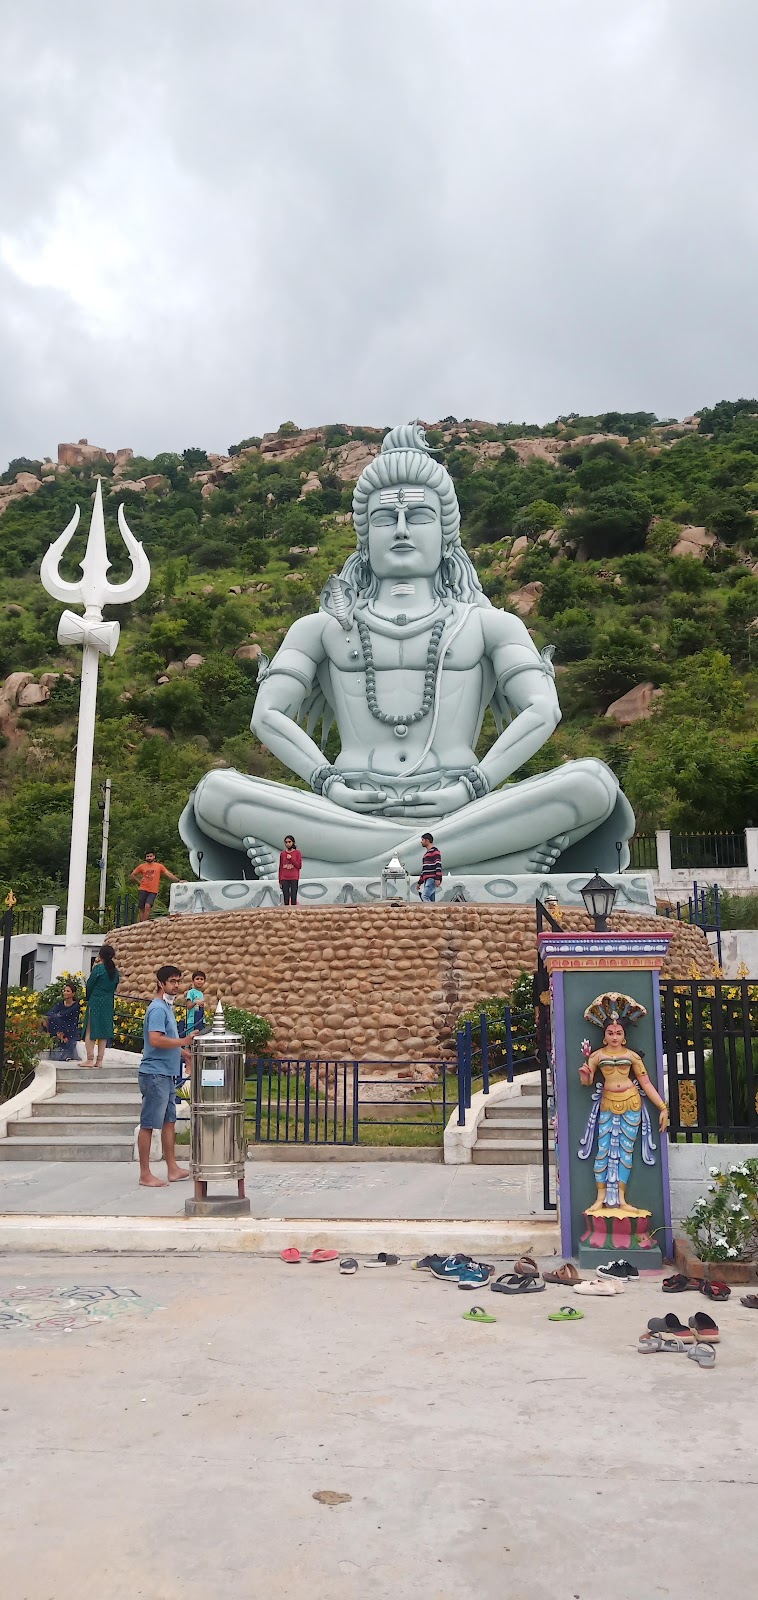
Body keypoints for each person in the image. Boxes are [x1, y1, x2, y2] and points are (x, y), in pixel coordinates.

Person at [179, 422, 635, 884]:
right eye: (384, 519)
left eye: (417, 517)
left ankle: (338, 870)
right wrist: (326, 782)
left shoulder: (487, 623)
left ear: (445, 533)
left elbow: (543, 708)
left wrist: (473, 786)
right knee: (217, 795)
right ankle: (476, 862)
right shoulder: (320, 628)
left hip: (460, 800)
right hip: (349, 805)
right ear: (365, 535)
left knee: (592, 784)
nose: (400, 530)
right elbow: (266, 714)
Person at [138, 964, 196, 1189]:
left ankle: (172, 1168)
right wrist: (183, 1042)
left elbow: (167, 1039)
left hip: (168, 1074)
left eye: (178, 981)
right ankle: (145, 1173)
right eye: (172, 981)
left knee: (169, 1121)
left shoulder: (167, 1008)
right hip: (155, 1074)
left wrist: (183, 1054)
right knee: (149, 1123)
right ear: (161, 983)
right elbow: (155, 1039)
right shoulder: (157, 1009)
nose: (177, 986)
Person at [82, 945, 120, 1067]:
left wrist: (88, 997)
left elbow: (90, 984)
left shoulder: (98, 969)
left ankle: (89, 1059)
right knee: (103, 1031)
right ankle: (99, 1060)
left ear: (100, 955)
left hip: (96, 1001)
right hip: (108, 1002)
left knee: (91, 1029)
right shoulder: (115, 972)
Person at [130, 851, 180, 921]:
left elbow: (168, 874)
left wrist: (178, 880)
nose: (149, 858)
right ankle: (141, 924)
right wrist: (139, 881)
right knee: (142, 908)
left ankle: (144, 923)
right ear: (145, 858)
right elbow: (132, 875)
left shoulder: (159, 866)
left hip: (153, 890)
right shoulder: (142, 866)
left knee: (148, 906)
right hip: (143, 888)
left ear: (154, 857)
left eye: (150, 856)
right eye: (147, 856)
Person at [41, 981, 81, 1061]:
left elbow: (65, 1014)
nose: (65, 993)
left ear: (73, 994)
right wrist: (54, 1016)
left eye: (68, 991)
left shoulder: (76, 1005)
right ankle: (55, 1035)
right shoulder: (61, 1004)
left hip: (70, 1028)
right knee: (48, 1019)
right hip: (59, 1026)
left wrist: (56, 1016)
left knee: (56, 1019)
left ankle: (60, 1036)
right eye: (65, 991)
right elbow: (50, 1012)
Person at [417, 832, 442, 902]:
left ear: (427, 840)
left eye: (422, 840)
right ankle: (433, 911)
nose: (421, 842)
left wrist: (438, 878)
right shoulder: (427, 854)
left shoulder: (435, 851)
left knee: (424, 896)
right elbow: (424, 870)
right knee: (431, 900)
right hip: (427, 880)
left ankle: (430, 911)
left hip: (431, 879)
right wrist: (419, 882)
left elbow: (438, 865)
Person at [278, 835, 303, 905]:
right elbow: (280, 867)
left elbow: (299, 866)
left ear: (293, 842)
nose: (287, 844)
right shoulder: (283, 854)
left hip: (294, 877)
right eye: (286, 842)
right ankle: (286, 913)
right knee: (286, 897)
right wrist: (280, 880)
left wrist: (291, 859)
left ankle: (294, 913)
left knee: (293, 896)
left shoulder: (297, 853)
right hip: (284, 878)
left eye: (289, 842)